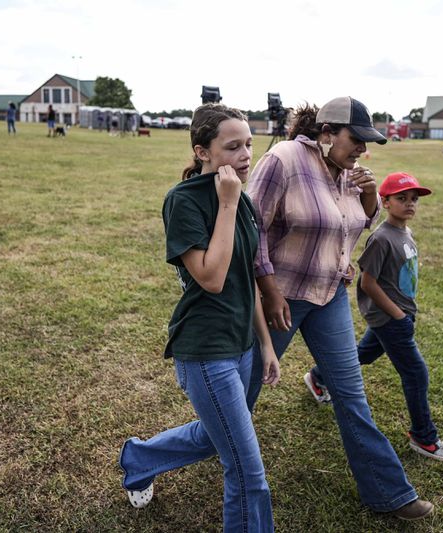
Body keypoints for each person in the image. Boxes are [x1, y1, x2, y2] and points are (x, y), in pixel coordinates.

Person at [245, 96, 434, 521]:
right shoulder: (285, 159)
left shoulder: (348, 172)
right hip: (282, 298)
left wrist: (368, 197)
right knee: (240, 397)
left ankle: (389, 494)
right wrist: (269, 291)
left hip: (329, 294)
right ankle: (150, 457)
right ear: (326, 134)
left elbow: (352, 225)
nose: (363, 150)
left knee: (351, 396)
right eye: (357, 140)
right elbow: (251, 226)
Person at [118, 104, 280, 532]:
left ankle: (140, 457)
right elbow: (211, 276)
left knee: (217, 436)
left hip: (243, 343)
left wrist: (264, 344)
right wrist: (226, 206)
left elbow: (246, 277)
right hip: (207, 351)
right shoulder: (184, 202)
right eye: (232, 146)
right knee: (248, 475)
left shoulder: (241, 199)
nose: (246, 155)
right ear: (202, 151)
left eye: (248, 144)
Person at [304, 172, 443, 463]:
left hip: (397, 317)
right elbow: (368, 283)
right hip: (391, 320)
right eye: (401, 199)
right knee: (416, 374)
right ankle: (424, 437)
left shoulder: (405, 233)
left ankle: (318, 376)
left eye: (414, 199)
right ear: (385, 202)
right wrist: (398, 315)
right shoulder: (381, 238)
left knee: (360, 356)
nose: (410, 204)